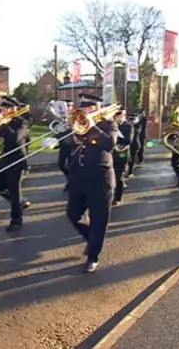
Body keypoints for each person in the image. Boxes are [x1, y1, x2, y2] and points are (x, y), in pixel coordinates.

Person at [65, 93, 118, 273]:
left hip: (100, 179)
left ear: (96, 108)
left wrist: (93, 126)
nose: (84, 111)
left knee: (99, 220)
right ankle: (91, 239)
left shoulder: (109, 124)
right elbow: (68, 142)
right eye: (83, 108)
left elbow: (109, 144)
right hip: (79, 177)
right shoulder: (78, 125)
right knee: (73, 213)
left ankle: (93, 256)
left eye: (88, 108)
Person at [0, 96, 31, 231]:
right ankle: (21, 202)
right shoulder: (3, 122)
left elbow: (15, 139)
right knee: (0, 187)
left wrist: (4, 124)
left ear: (13, 109)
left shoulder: (22, 123)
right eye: (1, 108)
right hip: (5, 159)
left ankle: (16, 220)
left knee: (14, 191)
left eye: (4, 109)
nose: (2, 111)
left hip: (17, 161)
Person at [112, 109, 133, 205]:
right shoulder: (112, 125)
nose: (118, 118)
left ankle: (118, 198)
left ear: (123, 116)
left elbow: (128, 140)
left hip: (122, 153)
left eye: (120, 116)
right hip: (111, 154)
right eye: (116, 116)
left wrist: (116, 140)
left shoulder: (129, 126)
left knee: (118, 176)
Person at [52, 100, 74, 191]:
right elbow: (56, 129)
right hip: (63, 145)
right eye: (66, 106)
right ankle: (70, 180)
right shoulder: (60, 118)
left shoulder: (75, 116)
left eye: (69, 106)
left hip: (73, 145)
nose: (68, 108)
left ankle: (71, 183)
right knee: (61, 164)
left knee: (72, 165)